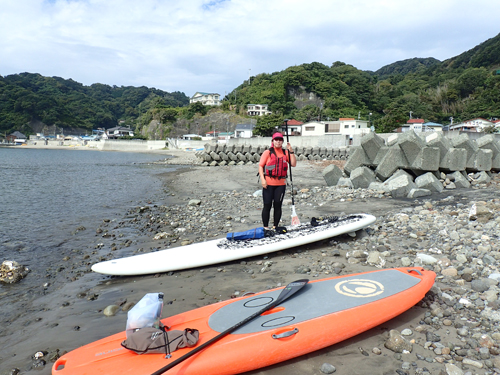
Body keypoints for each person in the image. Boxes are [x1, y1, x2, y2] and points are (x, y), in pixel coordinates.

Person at [258, 132, 297, 229]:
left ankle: (275, 226)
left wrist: (291, 151)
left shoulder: (286, 153)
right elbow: (261, 166)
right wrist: (263, 180)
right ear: (272, 141)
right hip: (268, 183)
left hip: (280, 184)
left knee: (278, 205)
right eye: (276, 140)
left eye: (280, 140)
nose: (278, 142)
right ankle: (266, 227)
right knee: (267, 205)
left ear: (282, 142)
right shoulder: (268, 152)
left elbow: (293, 164)